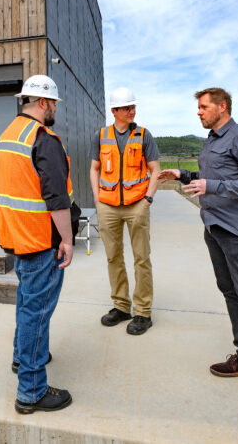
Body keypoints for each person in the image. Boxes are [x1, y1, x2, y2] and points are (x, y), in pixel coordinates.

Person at [158, 87, 238, 413]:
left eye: (203, 107)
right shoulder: (213, 140)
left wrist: (210, 186)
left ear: (222, 106)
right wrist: (184, 175)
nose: (198, 112)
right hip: (215, 228)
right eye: (198, 107)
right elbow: (215, 177)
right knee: (231, 293)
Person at [0, 74, 75, 414]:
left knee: (27, 303)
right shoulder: (44, 139)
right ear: (43, 103)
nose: (55, 109)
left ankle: (20, 356)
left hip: (17, 238)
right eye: (53, 104)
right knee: (36, 314)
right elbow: (56, 199)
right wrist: (68, 240)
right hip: (42, 241)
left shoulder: (9, 134)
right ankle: (31, 391)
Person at [90, 87, 161, 335]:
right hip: (108, 206)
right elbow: (94, 169)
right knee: (113, 257)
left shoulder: (143, 135)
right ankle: (121, 307)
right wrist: (98, 201)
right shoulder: (101, 135)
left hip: (137, 206)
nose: (132, 111)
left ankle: (143, 312)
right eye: (127, 108)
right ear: (114, 111)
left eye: (133, 107)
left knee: (141, 258)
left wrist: (148, 200)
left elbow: (155, 170)